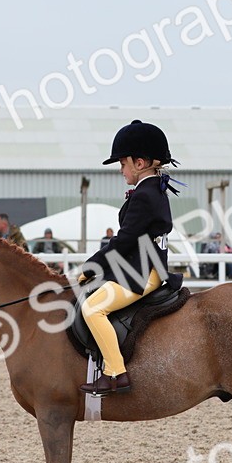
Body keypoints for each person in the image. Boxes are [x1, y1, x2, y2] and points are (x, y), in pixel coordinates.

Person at [78, 120, 178, 395]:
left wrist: (92, 265)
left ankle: (115, 372)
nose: (121, 170)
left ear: (140, 162)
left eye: (123, 164)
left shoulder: (146, 194)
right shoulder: (152, 188)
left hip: (142, 269)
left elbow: (124, 240)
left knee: (93, 308)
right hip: (141, 263)